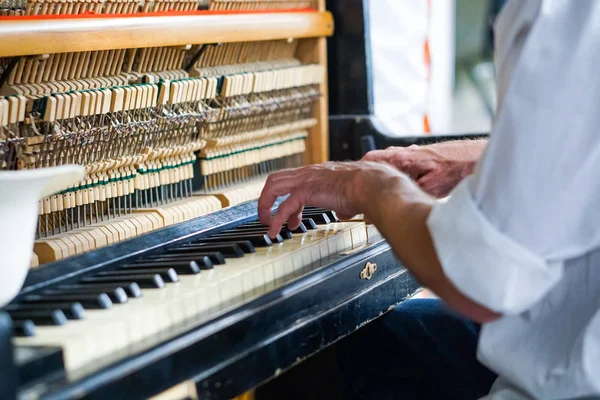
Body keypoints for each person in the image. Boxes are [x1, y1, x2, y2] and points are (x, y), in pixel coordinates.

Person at [257, 0, 600, 398]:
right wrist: (474, 161)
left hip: (570, 380)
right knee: (357, 336)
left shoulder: (562, 13)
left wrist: (370, 187)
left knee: (317, 350)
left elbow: (481, 282)